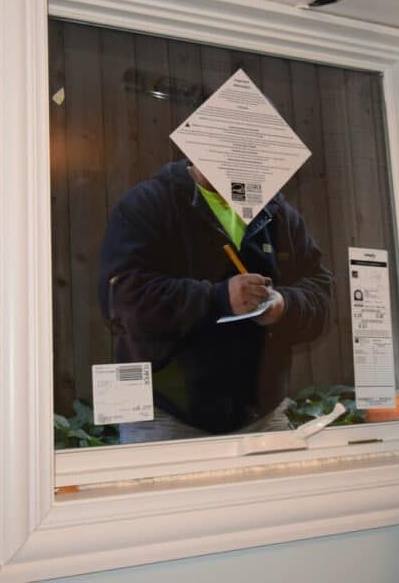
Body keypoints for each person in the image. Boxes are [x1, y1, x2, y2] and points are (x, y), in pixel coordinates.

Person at [99, 158, 333, 441]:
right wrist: (218, 298)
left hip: (262, 414)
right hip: (162, 416)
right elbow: (121, 300)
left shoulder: (278, 213)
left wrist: (284, 305)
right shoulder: (148, 204)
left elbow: (320, 294)